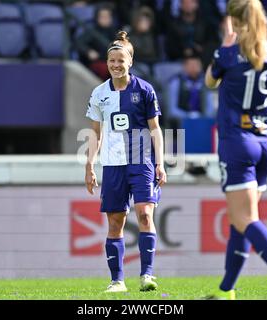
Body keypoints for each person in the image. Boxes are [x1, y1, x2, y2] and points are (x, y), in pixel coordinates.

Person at [204, 0, 267, 300]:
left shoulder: (228, 54)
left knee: (244, 219)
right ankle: (226, 291)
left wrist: (224, 48)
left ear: (233, 22)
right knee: (242, 220)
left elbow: (210, 81)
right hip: (264, 140)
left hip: (237, 141)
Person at [84, 31, 167, 293]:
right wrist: (89, 166)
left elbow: (155, 130)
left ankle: (147, 276)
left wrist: (161, 163)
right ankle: (117, 281)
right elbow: (95, 133)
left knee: (145, 214)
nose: (116, 65)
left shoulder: (144, 90)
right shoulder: (99, 94)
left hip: (141, 161)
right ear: (107, 63)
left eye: (121, 61)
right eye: (112, 61)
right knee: (115, 222)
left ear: (130, 61)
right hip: (113, 164)